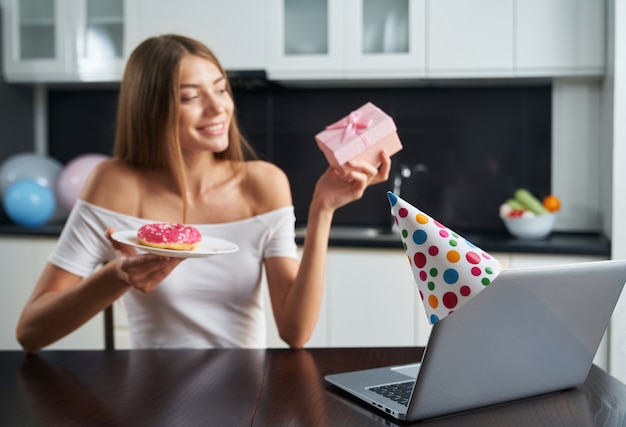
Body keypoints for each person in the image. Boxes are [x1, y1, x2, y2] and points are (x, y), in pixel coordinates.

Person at [16, 34, 392, 352]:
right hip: (150, 395)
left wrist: (322, 209)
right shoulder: (114, 183)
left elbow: (295, 333)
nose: (218, 108)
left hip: (247, 392)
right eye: (190, 97)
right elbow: (31, 333)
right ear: (151, 109)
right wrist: (117, 276)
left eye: (221, 89)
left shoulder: (262, 183)